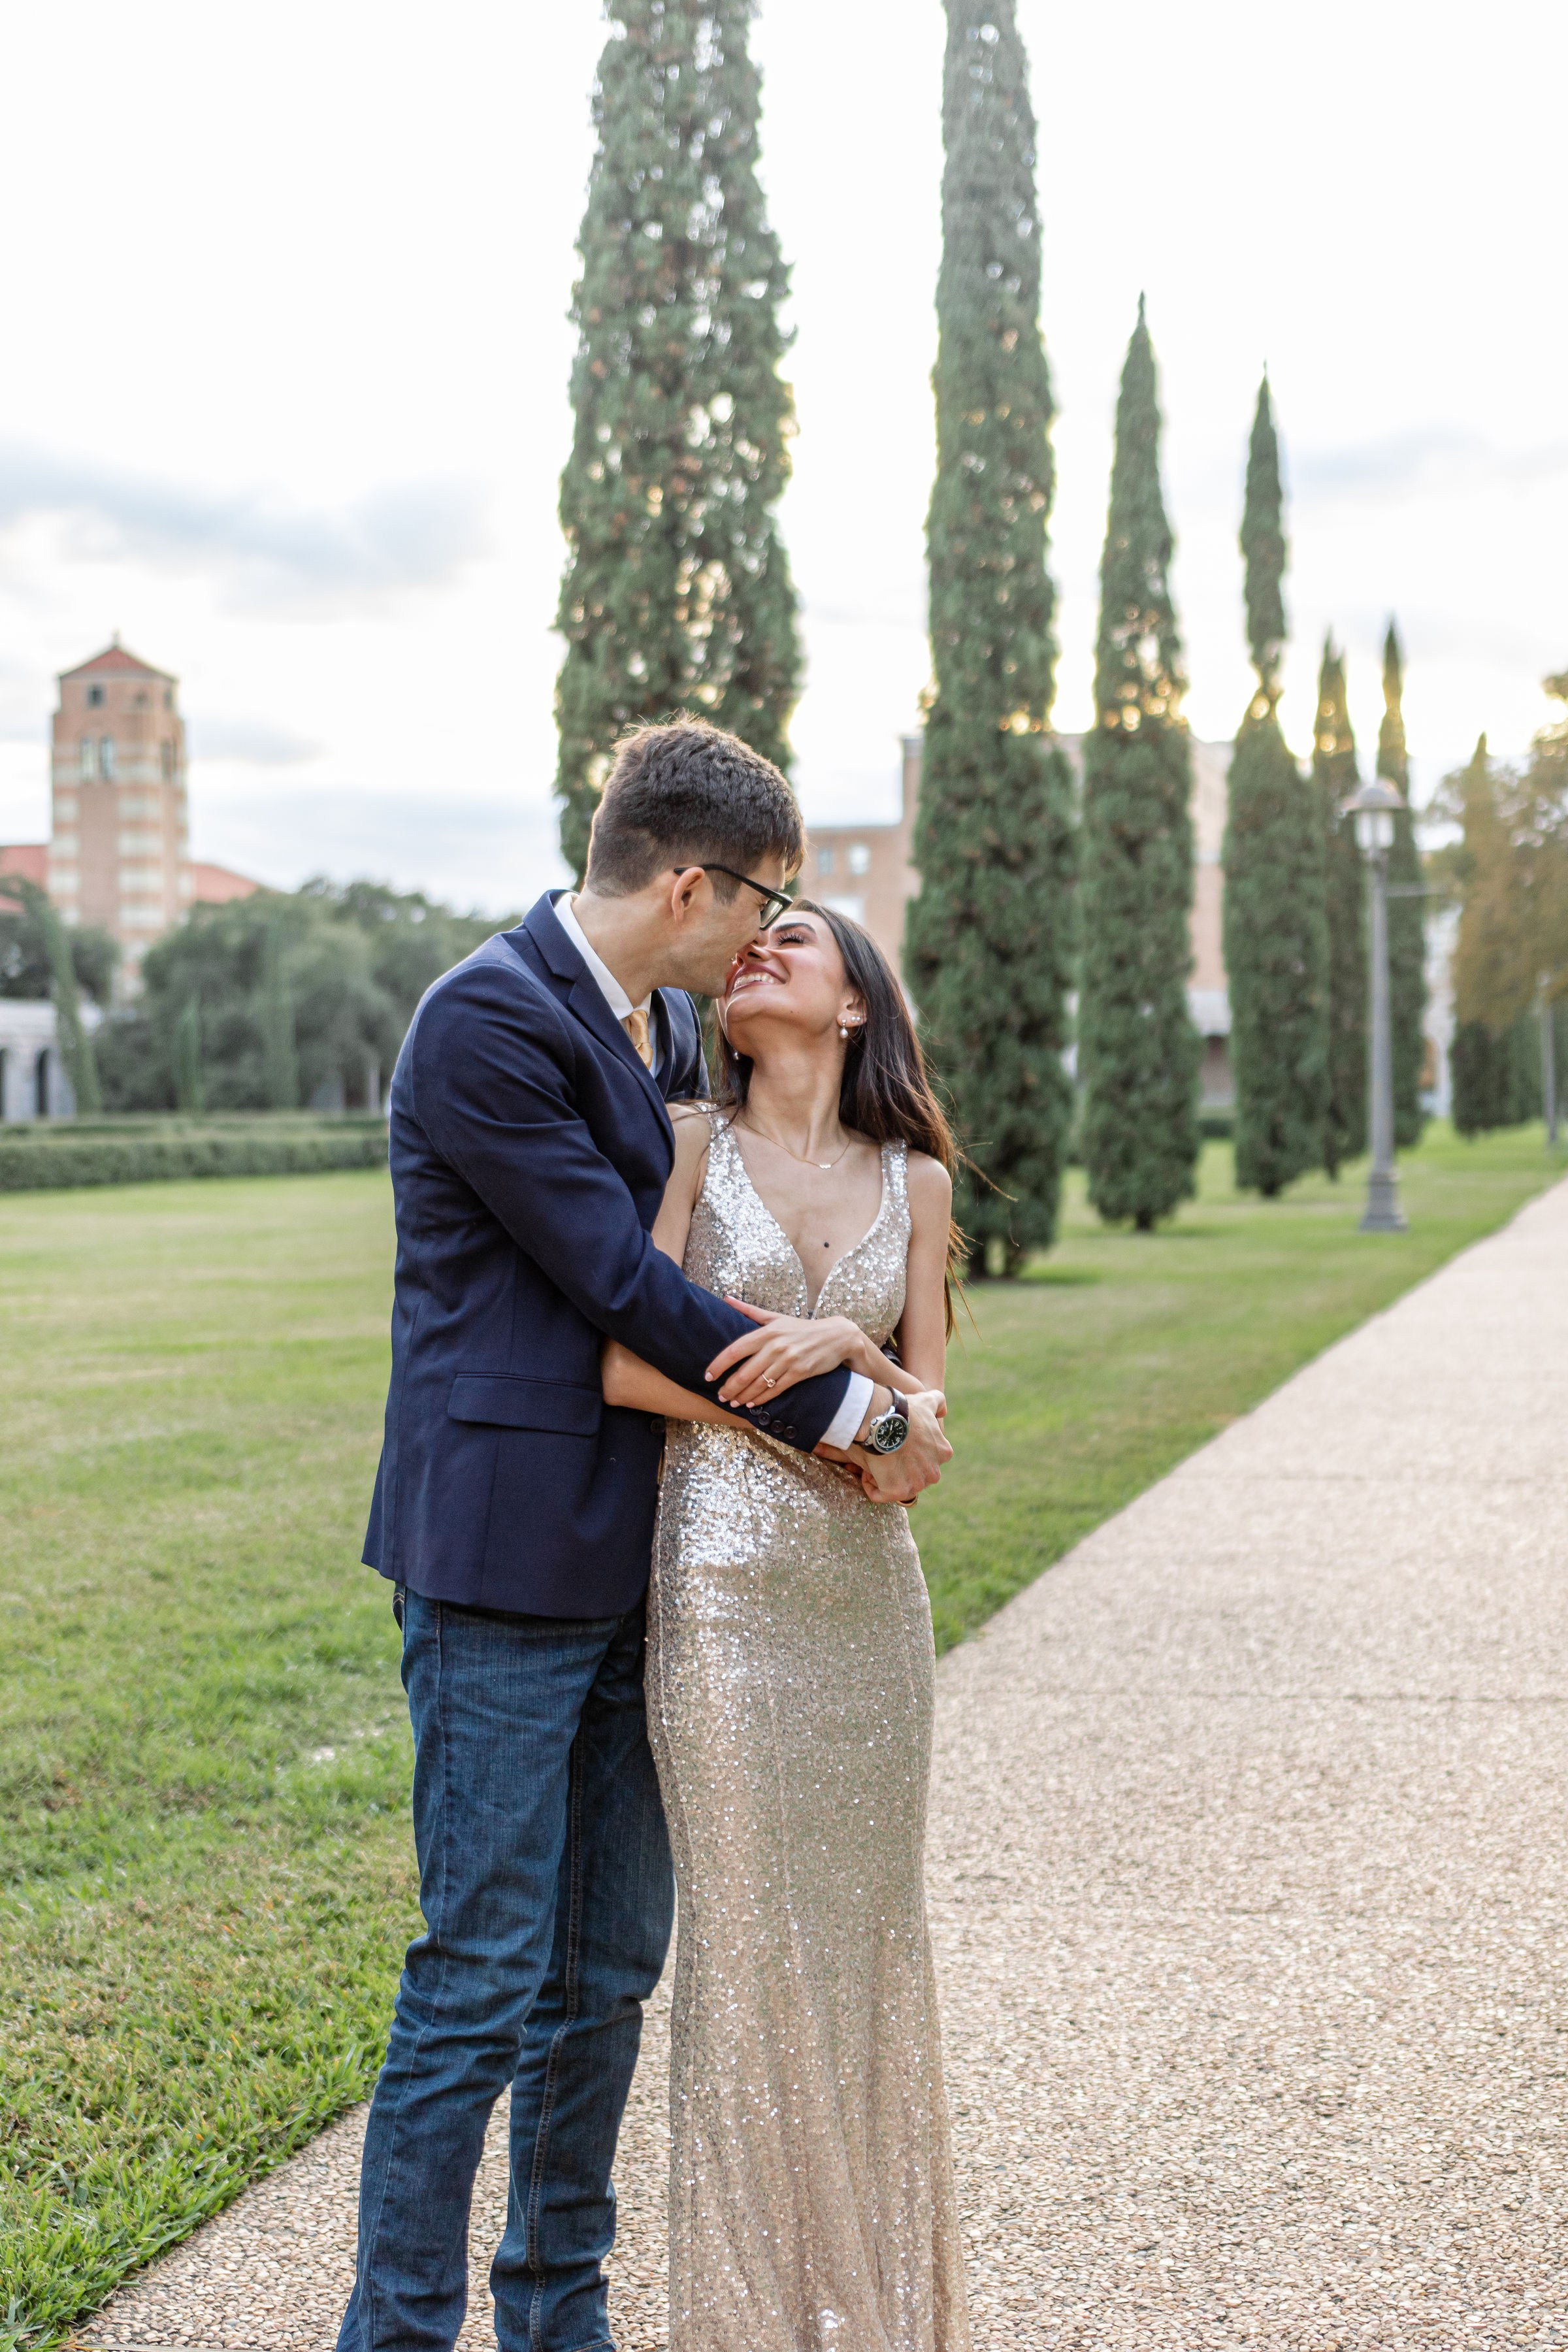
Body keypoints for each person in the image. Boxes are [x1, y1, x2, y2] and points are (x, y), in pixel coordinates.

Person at [338, 720, 951, 2352]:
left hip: (649, 1579)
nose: (761, 939)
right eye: (754, 904)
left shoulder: (656, 1029)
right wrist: (856, 1422)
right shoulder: (485, 1021)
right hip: (498, 1565)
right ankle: (393, 2333)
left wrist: (868, 1385)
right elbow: (625, 1290)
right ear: (689, 882)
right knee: (476, 1978)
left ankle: (558, 2314)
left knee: (601, 1978)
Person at [602, 900, 974, 2351]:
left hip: (870, 1613)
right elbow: (631, 1371)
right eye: (751, 940)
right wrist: (830, 1417)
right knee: (750, 1960)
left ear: (857, 1006)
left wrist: (853, 1348)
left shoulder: (920, 1186)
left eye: (796, 940)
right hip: (723, 1596)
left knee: (871, 1948)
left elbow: (928, 1443)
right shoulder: (689, 1143)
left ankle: (875, 2315)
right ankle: (752, 2324)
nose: (757, 949)